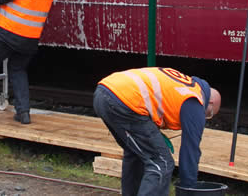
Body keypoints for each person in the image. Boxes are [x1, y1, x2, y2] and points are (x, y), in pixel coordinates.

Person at [94, 67, 221, 196]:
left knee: (135, 153)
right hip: (124, 102)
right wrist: (188, 189)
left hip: (104, 92)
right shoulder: (195, 101)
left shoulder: (183, 84)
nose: (204, 117)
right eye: (208, 114)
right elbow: (190, 151)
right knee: (162, 162)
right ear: (210, 103)